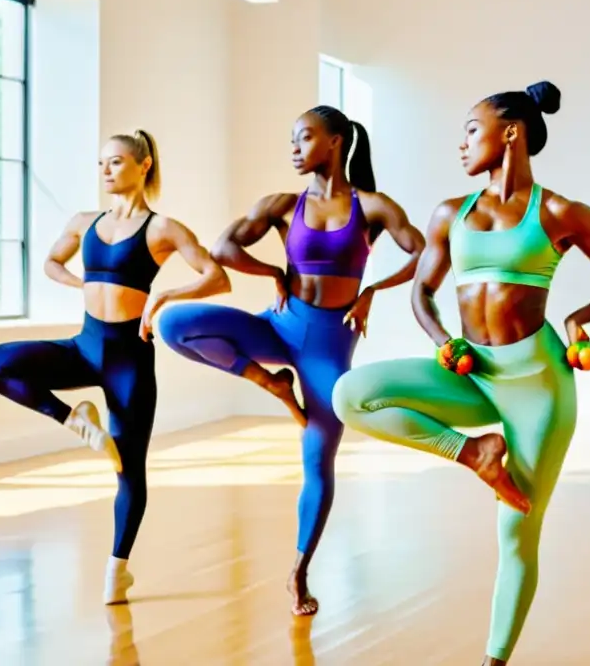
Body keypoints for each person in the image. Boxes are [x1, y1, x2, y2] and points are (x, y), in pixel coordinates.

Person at [332, 81, 590, 665]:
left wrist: (580, 319)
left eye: (470, 130)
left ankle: (494, 661)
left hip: (538, 385)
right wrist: (441, 340)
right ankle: (474, 453)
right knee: (351, 394)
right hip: (471, 372)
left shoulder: (559, 213)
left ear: (510, 132)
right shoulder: (451, 214)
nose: (461, 144)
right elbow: (422, 293)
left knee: (516, 532)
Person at [156, 105, 425, 617]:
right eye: (293, 140)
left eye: (304, 138)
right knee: (173, 324)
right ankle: (272, 385)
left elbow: (428, 251)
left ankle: (299, 571)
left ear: (336, 142)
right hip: (280, 324)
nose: (295, 149)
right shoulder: (282, 204)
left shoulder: (372, 207)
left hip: (328, 344)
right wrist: (272, 274)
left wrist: (372, 291)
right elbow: (224, 246)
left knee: (318, 459)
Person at [0, 130, 231, 605]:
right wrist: (84, 284)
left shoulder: (162, 229)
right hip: (84, 345)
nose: (105, 171)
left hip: (130, 359)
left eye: (114, 162)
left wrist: (167, 296)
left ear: (144, 164)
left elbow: (218, 277)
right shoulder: (85, 221)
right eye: (100, 164)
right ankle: (74, 419)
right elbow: (51, 261)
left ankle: (118, 570)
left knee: (129, 469)